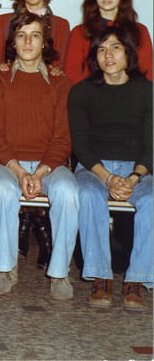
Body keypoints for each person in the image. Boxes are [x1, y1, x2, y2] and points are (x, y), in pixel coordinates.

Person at [0, 13, 77, 300]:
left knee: (68, 191)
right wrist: (20, 172)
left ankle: (60, 273)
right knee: (2, 190)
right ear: (12, 42)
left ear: (44, 43)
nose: (27, 42)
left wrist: (38, 173)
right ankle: (6, 269)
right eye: (21, 35)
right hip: (8, 163)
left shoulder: (61, 84)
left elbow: (62, 138)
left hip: (49, 165)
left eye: (35, 35)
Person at [69, 26, 152, 310]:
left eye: (115, 47)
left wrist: (133, 177)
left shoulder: (147, 91)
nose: (108, 55)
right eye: (102, 50)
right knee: (88, 194)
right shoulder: (81, 92)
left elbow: (151, 143)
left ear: (129, 53)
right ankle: (101, 277)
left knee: (152, 199)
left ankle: (136, 280)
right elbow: (80, 144)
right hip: (94, 168)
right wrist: (108, 177)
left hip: (137, 170)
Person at [65, 0, 152, 84]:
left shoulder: (140, 31)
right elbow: (71, 74)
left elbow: (147, 73)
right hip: (91, 92)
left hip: (131, 92)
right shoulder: (80, 32)